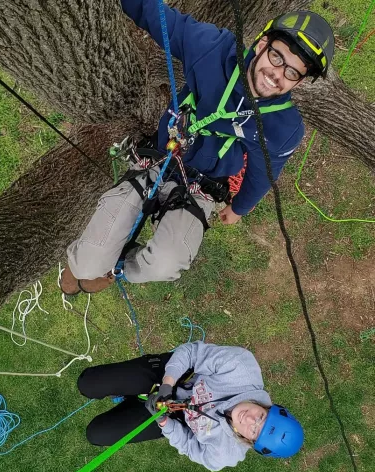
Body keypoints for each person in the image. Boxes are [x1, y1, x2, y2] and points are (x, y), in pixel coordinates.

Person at [61, 4, 334, 294]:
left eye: (292, 72)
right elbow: (159, 18)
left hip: (201, 188)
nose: (277, 74)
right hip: (155, 162)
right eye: (277, 56)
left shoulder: (283, 127)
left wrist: (240, 207)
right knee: (85, 264)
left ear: (300, 81)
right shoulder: (214, 50)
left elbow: (263, 173)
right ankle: (86, 268)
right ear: (263, 44)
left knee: (166, 263)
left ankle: (118, 270)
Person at [77, 341, 304, 471]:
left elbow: (189, 446)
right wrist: (167, 383)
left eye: (255, 431)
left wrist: (164, 422)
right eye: (262, 417)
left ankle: (133, 398)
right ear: (269, 408)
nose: (250, 420)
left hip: (172, 417)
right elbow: (191, 353)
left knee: (96, 434)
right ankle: (132, 390)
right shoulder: (242, 368)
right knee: (87, 383)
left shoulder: (224, 454)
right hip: (175, 376)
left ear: (250, 441)